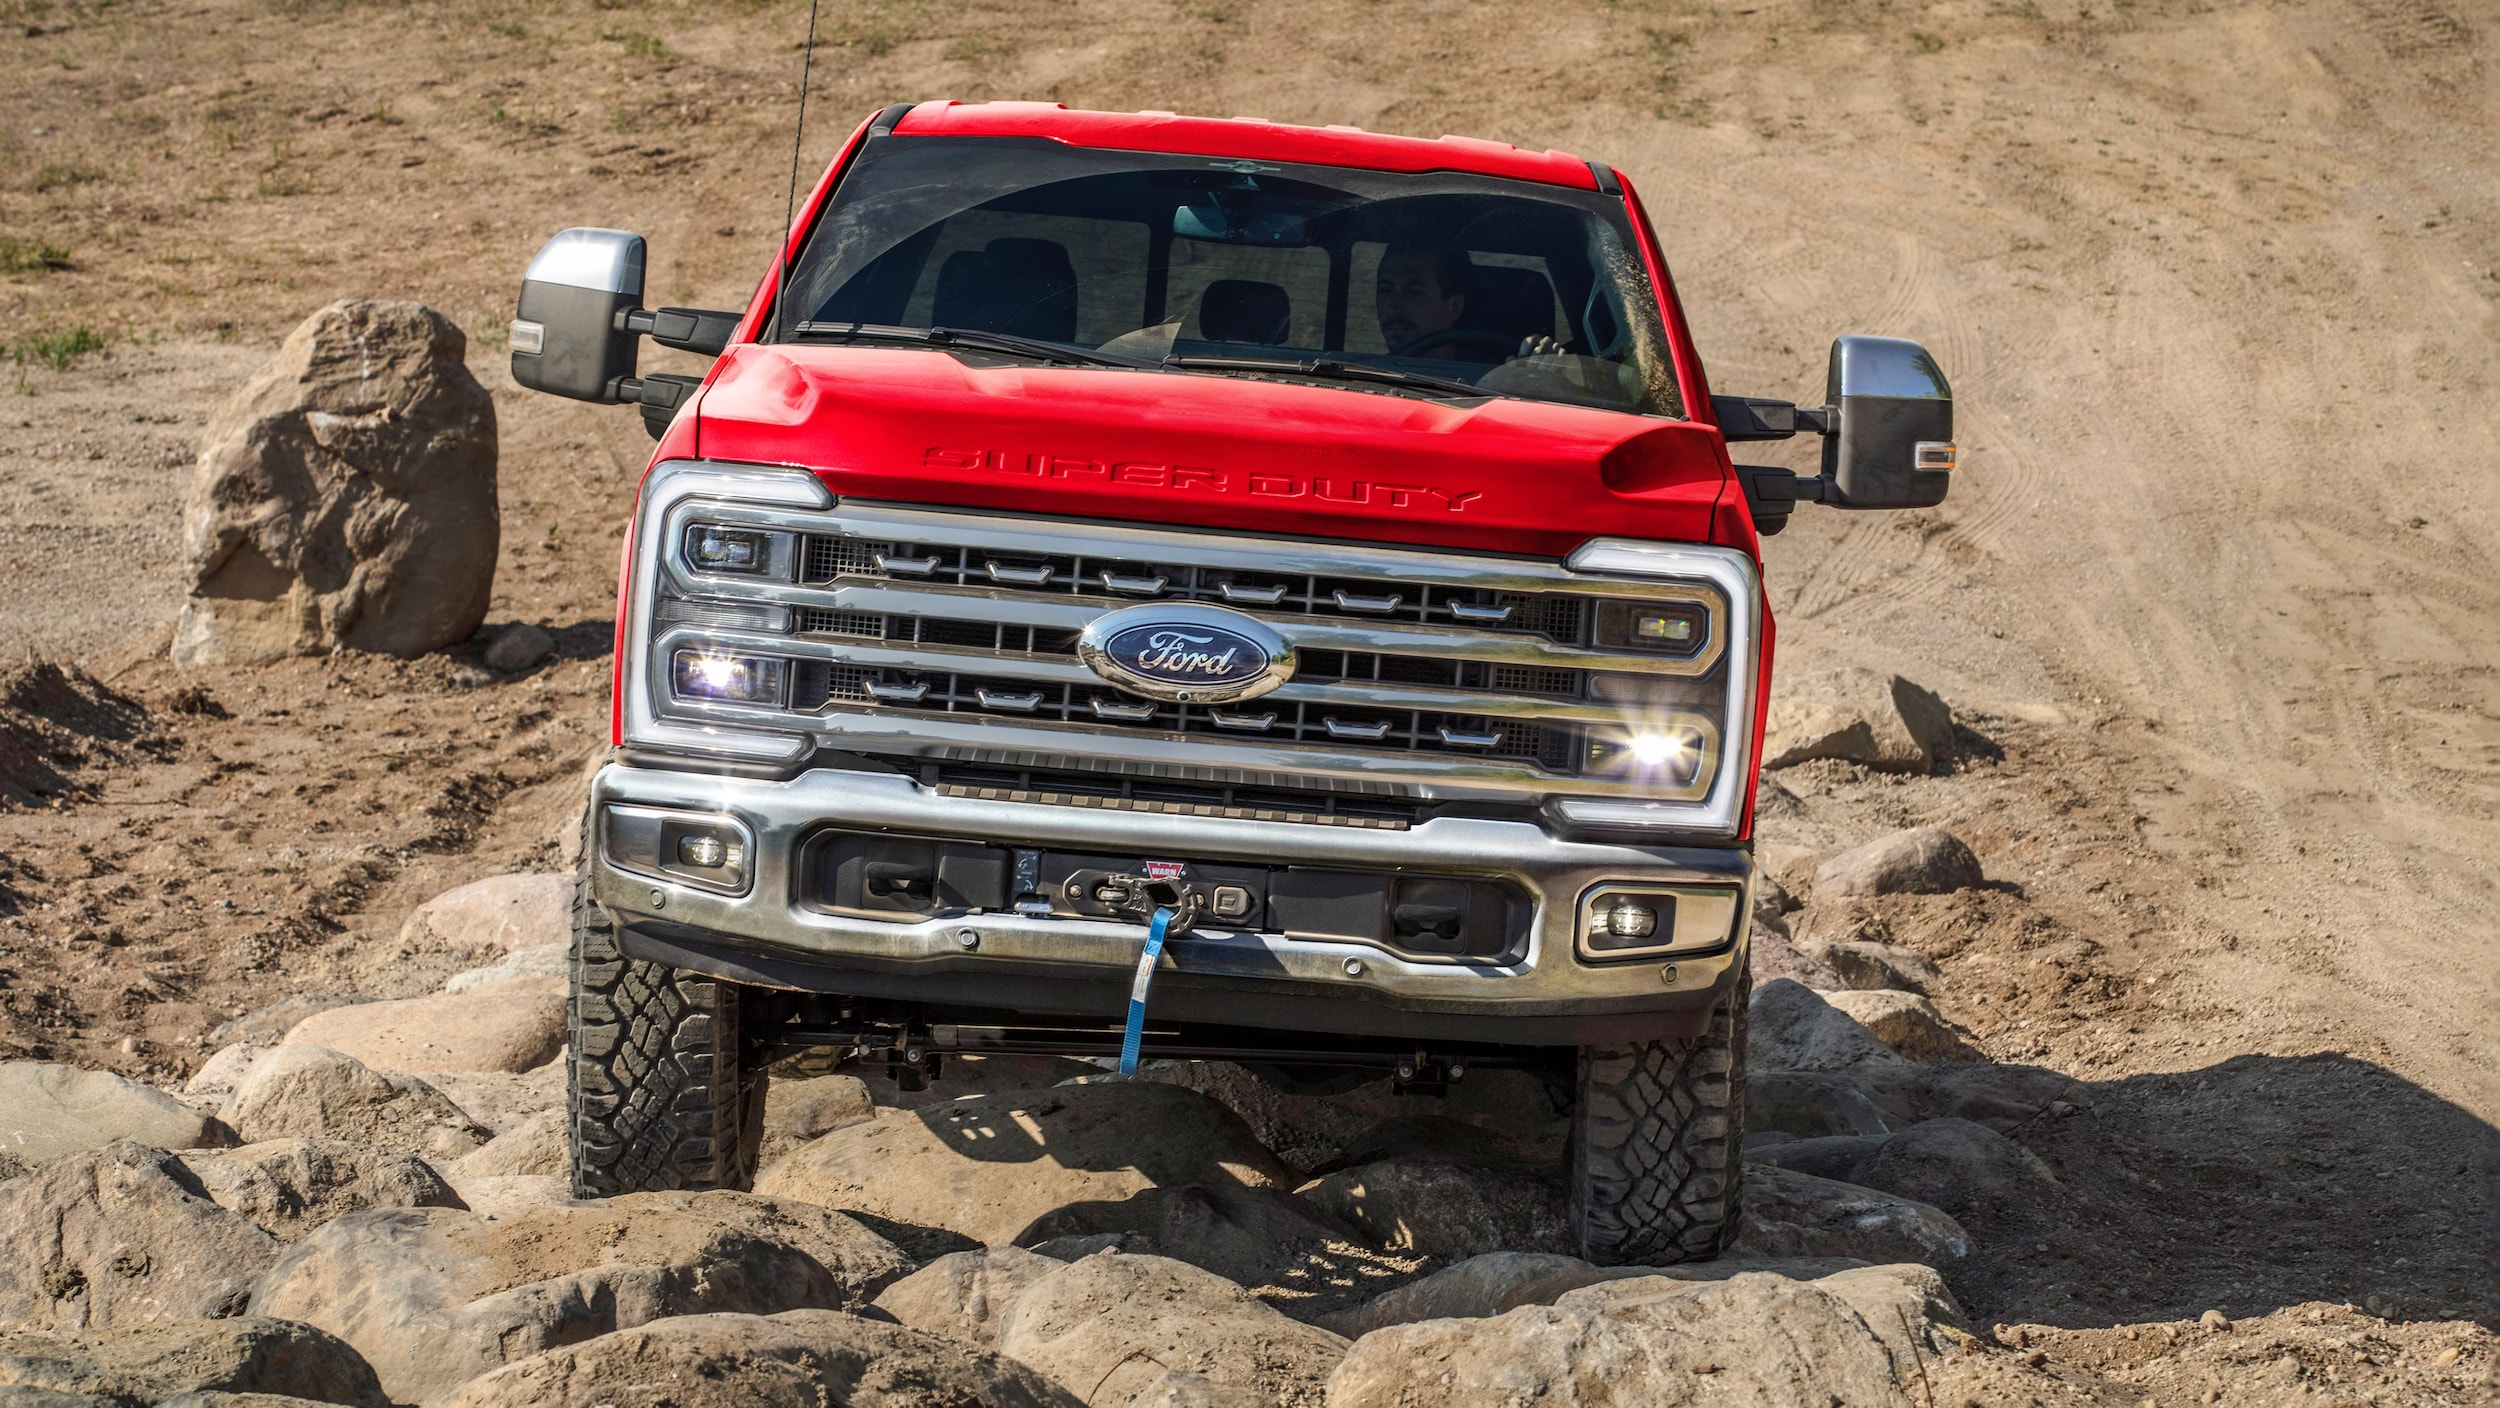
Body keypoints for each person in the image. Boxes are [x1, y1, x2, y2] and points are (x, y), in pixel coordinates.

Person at [1374, 242, 1472, 353]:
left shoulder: (1483, 370)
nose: (1393, 309)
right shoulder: (1364, 368)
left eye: (1413, 292)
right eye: (1385, 290)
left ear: (1455, 307)